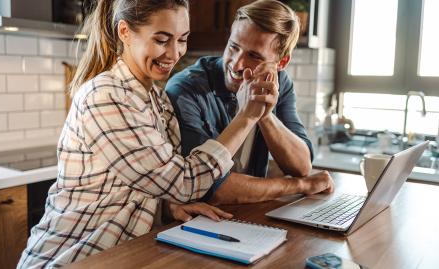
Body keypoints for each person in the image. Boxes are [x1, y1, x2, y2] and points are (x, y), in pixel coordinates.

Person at [17, 0, 271, 267]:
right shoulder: (106, 96)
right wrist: (246, 117)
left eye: (182, 39)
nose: (174, 53)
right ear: (125, 32)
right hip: (68, 258)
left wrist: (167, 207)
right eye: (162, 40)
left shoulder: (154, 99)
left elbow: (131, 188)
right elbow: (184, 182)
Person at [166, 0, 334, 205]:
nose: (237, 64)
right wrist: (301, 186)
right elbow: (207, 187)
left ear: (280, 63)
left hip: (249, 215)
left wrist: (265, 115)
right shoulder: (186, 89)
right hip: (196, 222)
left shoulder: (279, 84)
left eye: (254, 56)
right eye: (233, 47)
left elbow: (301, 166)